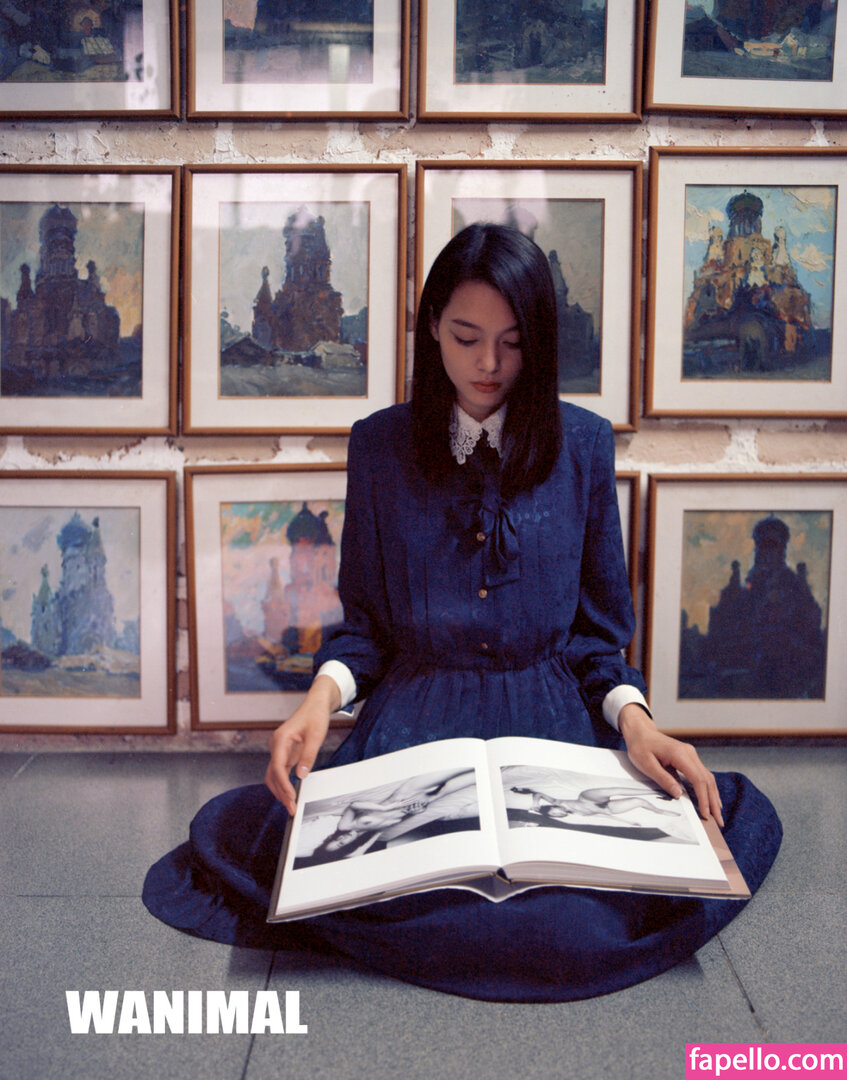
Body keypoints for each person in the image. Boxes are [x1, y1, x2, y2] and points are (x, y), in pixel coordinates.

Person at [144, 223, 781, 1003]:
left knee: (568, 923)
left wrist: (638, 726)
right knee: (404, 888)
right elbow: (365, 629)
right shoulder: (379, 446)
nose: (487, 365)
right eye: (465, 337)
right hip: (415, 723)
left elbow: (595, 638)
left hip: (547, 722)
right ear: (431, 329)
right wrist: (317, 703)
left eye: (512, 343)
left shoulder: (581, 446)